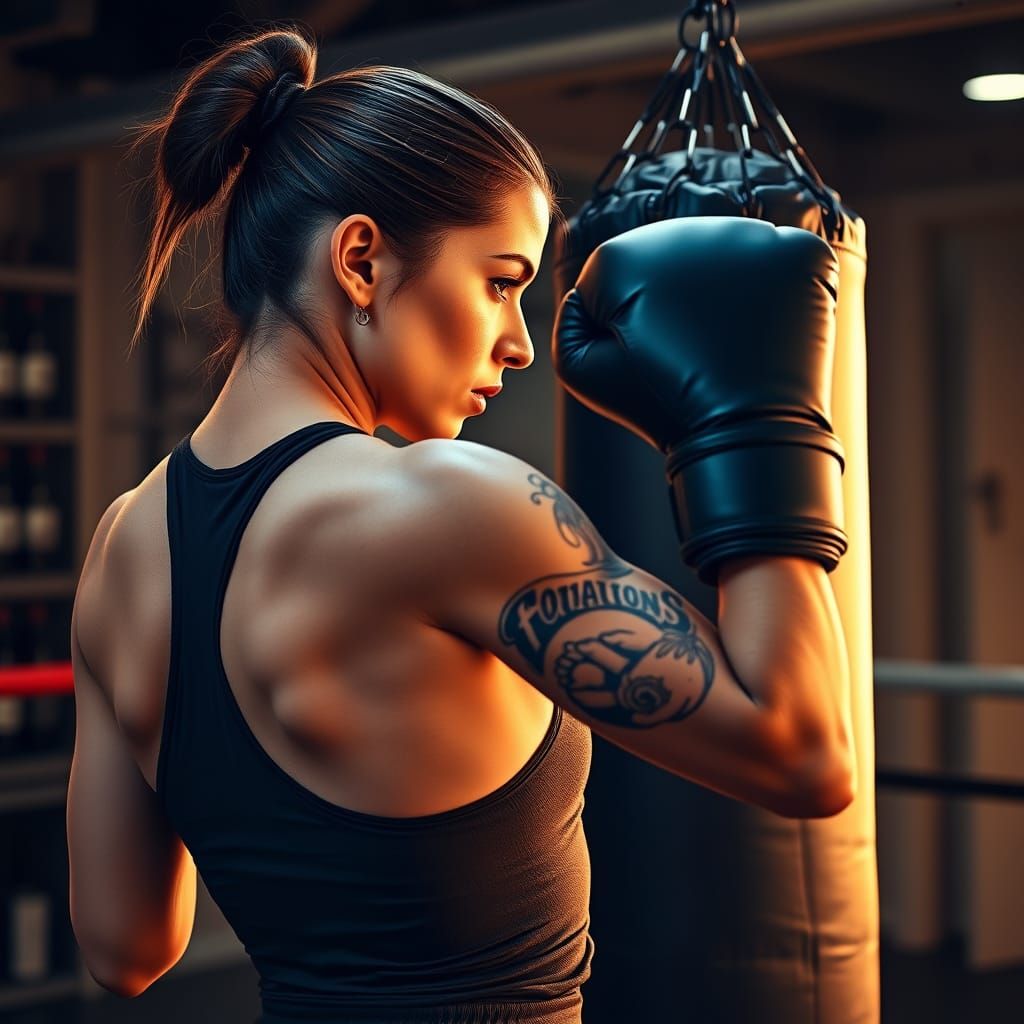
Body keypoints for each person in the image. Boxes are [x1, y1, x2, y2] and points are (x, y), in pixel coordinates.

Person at [65, 22, 855, 1024]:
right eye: (501, 282)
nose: (520, 342)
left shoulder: (122, 547)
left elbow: (126, 944)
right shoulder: (445, 504)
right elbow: (804, 754)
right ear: (360, 260)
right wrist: (750, 423)